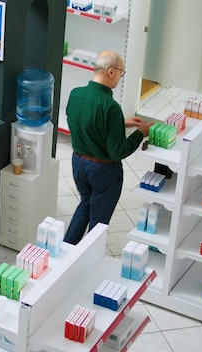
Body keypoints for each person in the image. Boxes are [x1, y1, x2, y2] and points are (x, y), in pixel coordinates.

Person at [64, 50, 154, 245]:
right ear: (111, 71)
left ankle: (65, 250)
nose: (121, 77)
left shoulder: (76, 94)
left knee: (85, 205)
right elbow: (118, 151)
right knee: (98, 225)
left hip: (78, 164)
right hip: (103, 172)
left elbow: (86, 124)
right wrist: (141, 133)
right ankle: (90, 262)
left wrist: (121, 123)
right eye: (122, 73)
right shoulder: (110, 106)